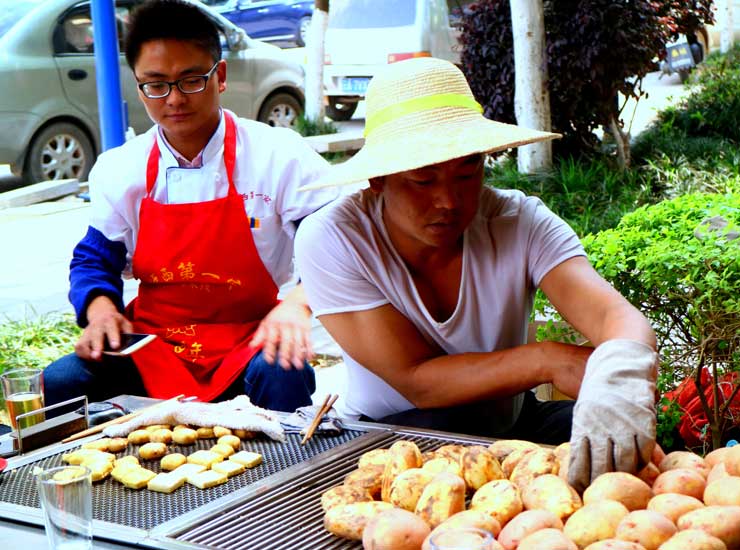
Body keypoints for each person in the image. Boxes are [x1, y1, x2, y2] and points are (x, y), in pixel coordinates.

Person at [293, 57, 658, 491]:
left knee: (634, 458)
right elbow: (417, 381)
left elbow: (613, 316)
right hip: (394, 435)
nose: (449, 200)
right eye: (423, 180)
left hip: (511, 420)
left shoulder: (520, 221)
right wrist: (547, 359)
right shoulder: (334, 238)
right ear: (377, 179)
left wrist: (621, 369)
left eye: (468, 172)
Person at [43, 0, 338, 412]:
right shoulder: (119, 168)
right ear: (139, 84)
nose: (175, 99)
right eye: (156, 84)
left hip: (248, 337)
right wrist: (101, 310)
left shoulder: (279, 155)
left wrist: (297, 304)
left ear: (220, 76)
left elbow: (336, 246)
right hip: (155, 343)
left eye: (191, 80)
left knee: (283, 371)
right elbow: (94, 259)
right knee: (60, 383)